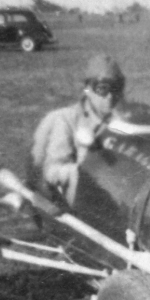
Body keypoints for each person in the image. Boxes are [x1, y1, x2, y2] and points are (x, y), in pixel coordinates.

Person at [27, 53, 125, 207]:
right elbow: (51, 171)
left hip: (122, 198)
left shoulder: (125, 120)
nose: (110, 96)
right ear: (87, 89)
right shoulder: (66, 120)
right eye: (102, 89)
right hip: (87, 203)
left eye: (116, 88)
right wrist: (77, 172)